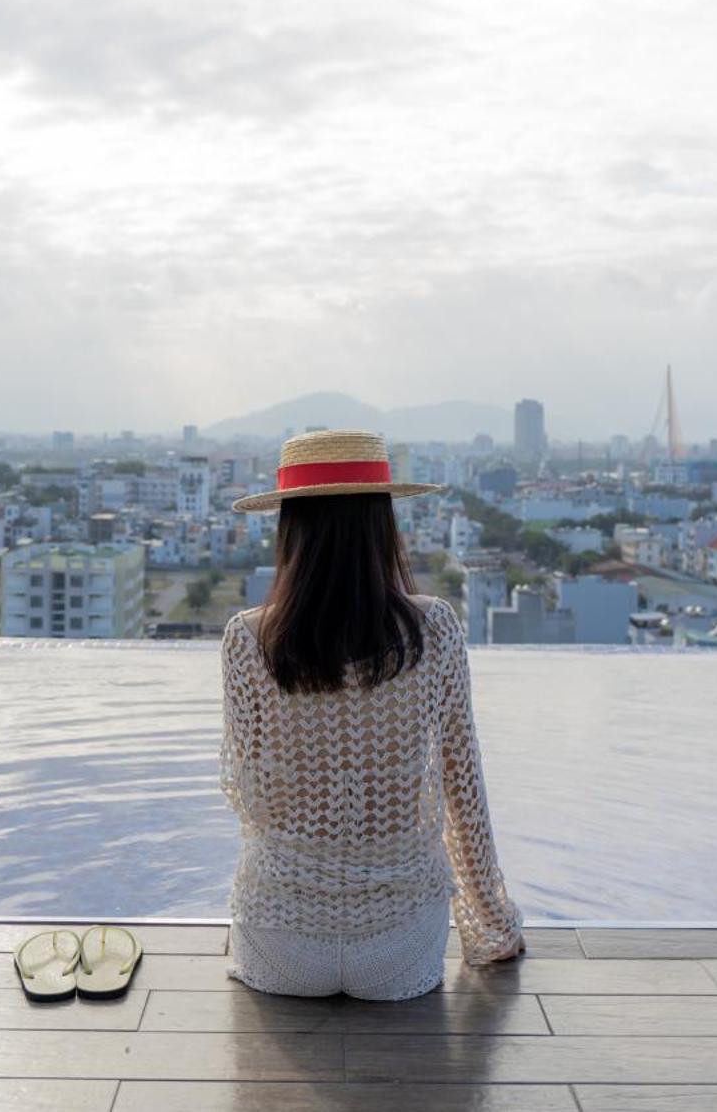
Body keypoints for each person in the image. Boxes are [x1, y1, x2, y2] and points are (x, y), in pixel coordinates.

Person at [219, 429, 525, 1001]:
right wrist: (492, 923)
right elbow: (464, 792)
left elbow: (248, 797)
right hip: (399, 949)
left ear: (291, 528)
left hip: (280, 946)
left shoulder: (248, 637)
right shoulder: (433, 628)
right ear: (383, 524)